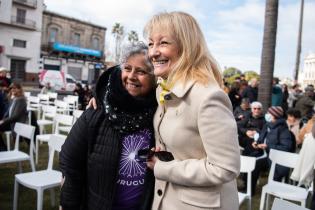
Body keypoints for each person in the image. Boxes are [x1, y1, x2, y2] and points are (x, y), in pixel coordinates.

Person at [144, 12, 240, 210]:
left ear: (186, 47)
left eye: (163, 43)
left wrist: (162, 168)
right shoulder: (164, 89)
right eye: (150, 44)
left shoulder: (208, 97)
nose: (153, 52)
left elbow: (224, 168)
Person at [59, 42, 157, 210]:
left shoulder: (160, 114)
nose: (132, 76)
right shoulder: (98, 110)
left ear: (155, 78)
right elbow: (70, 162)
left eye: (141, 71)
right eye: (127, 68)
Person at [250, 106, 294, 194]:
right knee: (251, 163)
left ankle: (273, 191)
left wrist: (268, 146)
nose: (267, 115)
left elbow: (286, 147)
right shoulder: (267, 125)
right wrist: (256, 143)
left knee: (256, 163)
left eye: (269, 113)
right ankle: (249, 190)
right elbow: (262, 138)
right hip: (264, 154)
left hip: (276, 159)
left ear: (274, 115)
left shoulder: (283, 129)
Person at [0, 82, 27, 151]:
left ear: (19, 89)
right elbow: (8, 113)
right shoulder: (14, 99)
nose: (12, 90)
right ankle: (2, 147)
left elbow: (15, 116)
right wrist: (3, 119)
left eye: (15, 88)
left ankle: (3, 148)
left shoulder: (21, 100)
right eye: (11, 88)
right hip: (11, 122)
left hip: (16, 124)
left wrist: (3, 121)